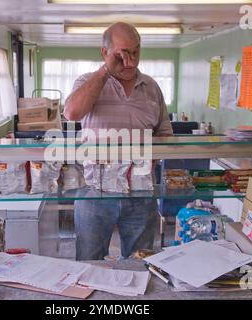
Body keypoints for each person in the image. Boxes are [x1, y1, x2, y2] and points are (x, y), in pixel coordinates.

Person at [64, 22, 173, 261]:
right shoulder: (87, 82)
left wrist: (155, 153)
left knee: (141, 263)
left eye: (135, 53)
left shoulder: (152, 87)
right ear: (105, 52)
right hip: (96, 193)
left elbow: (166, 133)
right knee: (89, 264)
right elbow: (71, 113)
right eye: (121, 55)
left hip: (142, 193)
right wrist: (105, 71)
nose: (130, 62)